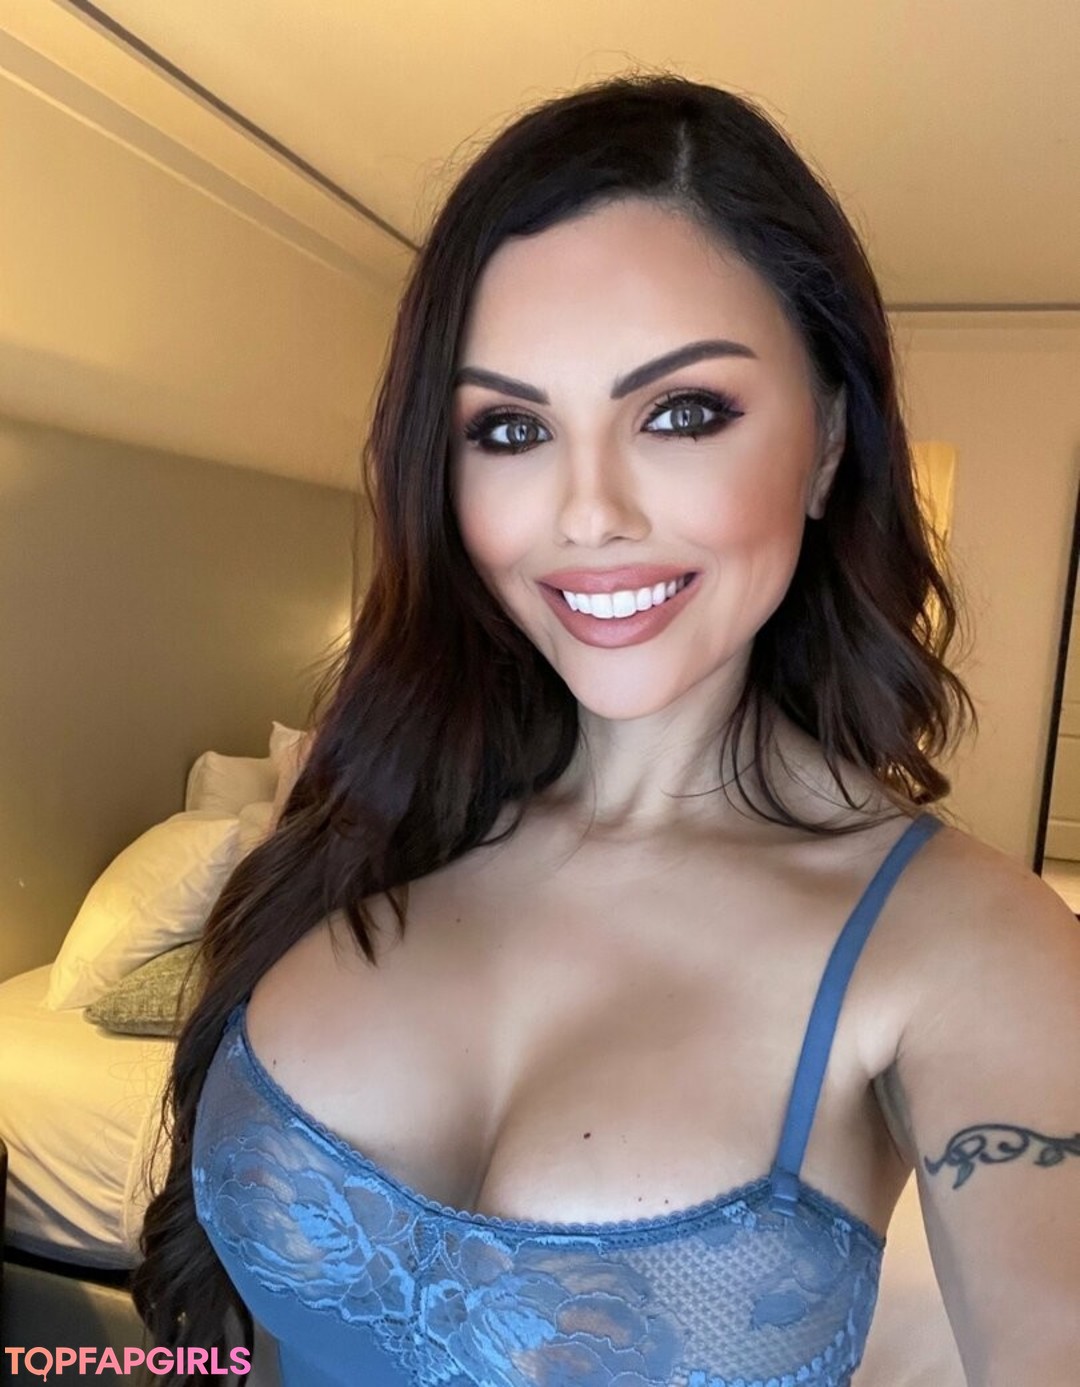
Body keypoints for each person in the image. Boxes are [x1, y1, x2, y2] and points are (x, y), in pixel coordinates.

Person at [133, 72, 1080, 1386]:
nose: (588, 513)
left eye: (681, 413)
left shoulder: (970, 944)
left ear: (826, 441)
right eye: (511, 428)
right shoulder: (381, 809)